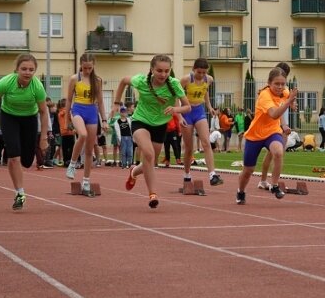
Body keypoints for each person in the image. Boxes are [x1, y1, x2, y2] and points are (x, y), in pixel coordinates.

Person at [115, 54, 191, 209]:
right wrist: (116, 104)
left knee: (150, 161)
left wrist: (175, 110)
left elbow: (187, 106)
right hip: (140, 121)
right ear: (152, 69)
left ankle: (134, 172)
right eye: (159, 71)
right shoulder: (141, 81)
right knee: (148, 155)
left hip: (160, 125)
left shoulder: (174, 84)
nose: (163, 74)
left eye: (166, 71)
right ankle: (153, 194)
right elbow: (123, 80)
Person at [0, 54, 49, 210]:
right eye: (24, 69)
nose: (27, 72)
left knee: (27, 161)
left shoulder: (38, 87)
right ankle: (20, 193)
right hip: (9, 117)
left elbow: (43, 112)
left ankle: (22, 166)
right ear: (17, 69)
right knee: (14, 156)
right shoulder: (6, 82)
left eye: (31, 70)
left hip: (29, 119)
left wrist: (44, 137)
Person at [235, 67, 297, 205]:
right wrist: (289, 102)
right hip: (255, 136)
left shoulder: (284, 91)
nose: (280, 87)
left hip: (272, 132)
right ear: (269, 83)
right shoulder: (264, 96)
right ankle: (241, 191)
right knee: (248, 170)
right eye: (277, 84)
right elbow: (274, 114)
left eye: (283, 84)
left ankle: (274, 185)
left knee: (278, 152)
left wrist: (292, 103)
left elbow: (288, 96)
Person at [64, 53, 108, 197]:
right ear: (81, 66)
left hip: (92, 112)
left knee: (89, 151)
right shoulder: (74, 79)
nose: (87, 70)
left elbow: (100, 101)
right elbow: (69, 99)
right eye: (85, 68)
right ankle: (72, 164)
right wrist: (66, 119)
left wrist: (104, 120)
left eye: (89, 68)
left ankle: (86, 180)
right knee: (82, 134)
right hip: (77, 109)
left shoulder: (97, 80)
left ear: (93, 66)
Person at [179, 58, 223, 186]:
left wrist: (209, 107)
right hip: (186, 111)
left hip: (199, 110)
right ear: (194, 69)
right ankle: (187, 175)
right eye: (199, 72)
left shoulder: (209, 79)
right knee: (189, 148)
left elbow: (205, 92)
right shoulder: (186, 80)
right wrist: (178, 115)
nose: (202, 75)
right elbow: (176, 96)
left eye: (204, 72)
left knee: (206, 142)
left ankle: (212, 175)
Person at [257, 62, 293, 190]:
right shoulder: (269, 91)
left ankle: (267, 180)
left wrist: (292, 104)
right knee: (275, 154)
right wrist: (284, 125)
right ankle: (271, 182)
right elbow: (276, 110)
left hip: (280, 125)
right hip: (276, 126)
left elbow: (287, 101)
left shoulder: (284, 89)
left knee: (274, 154)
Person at [57, 98, 75, 167]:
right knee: (71, 147)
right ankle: (70, 160)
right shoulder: (68, 112)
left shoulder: (59, 113)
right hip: (69, 132)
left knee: (64, 148)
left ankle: (65, 161)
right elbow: (72, 120)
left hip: (63, 133)